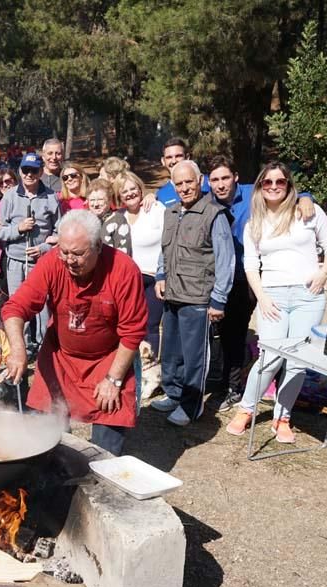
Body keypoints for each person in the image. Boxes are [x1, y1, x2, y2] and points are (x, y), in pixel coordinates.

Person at [2, 210, 148, 456]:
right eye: (64, 252)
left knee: (105, 450)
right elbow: (16, 307)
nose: (70, 260)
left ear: (98, 246)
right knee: (47, 440)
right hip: (61, 357)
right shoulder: (52, 262)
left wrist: (114, 380)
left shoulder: (124, 270)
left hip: (108, 359)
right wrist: (17, 350)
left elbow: (133, 332)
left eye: (78, 254)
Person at [225, 163, 327, 442]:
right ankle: (246, 409)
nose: (274, 186)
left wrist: (323, 273)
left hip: (308, 296)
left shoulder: (308, 212)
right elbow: (250, 265)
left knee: (298, 362)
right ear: (260, 187)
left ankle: (283, 416)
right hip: (273, 295)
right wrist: (262, 296)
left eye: (280, 181)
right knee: (271, 357)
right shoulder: (255, 223)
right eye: (268, 182)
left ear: (289, 185)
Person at [151, 160, 235, 426]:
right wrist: (161, 275)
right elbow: (165, 249)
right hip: (172, 294)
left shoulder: (214, 214)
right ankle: (173, 394)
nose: (184, 188)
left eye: (189, 182)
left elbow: (226, 261)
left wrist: (219, 299)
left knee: (194, 357)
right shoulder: (171, 212)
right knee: (172, 352)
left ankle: (191, 406)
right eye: (179, 183)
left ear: (200, 182)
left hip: (197, 298)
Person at [0, 152, 60, 352]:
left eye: (33, 170)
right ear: (20, 171)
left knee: (42, 306)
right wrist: (19, 229)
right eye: (25, 170)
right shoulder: (10, 196)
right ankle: (19, 347)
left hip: (41, 262)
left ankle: (44, 346)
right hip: (14, 261)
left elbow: (58, 231)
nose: (29, 174)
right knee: (18, 304)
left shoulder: (51, 197)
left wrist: (44, 248)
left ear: (41, 172)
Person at [115, 171, 165, 357]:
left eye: (133, 188)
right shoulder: (118, 217)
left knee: (151, 325)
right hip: (129, 280)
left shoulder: (156, 209)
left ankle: (150, 371)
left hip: (154, 278)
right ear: (119, 196)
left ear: (140, 188)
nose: (129, 193)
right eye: (124, 191)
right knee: (129, 325)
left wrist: (164, 274)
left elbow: (168, 243)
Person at [0, 168, 18, 303]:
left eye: (8, 181)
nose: (5, 185)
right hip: (4, 255)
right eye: (0, 183)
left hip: (22, 253)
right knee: (5, 298)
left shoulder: (23, 201)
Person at [155, 138, 210, 207]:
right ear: (163, 161)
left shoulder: (209, 182)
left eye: (178, 156)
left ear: (187, 157)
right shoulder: (161, 194)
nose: (174, 161)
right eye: (169, 157)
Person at [87, 179, 131, 256]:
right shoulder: (85, 220)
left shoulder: (118, 220)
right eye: (92, 200)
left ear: (110, 200)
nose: (96, 204)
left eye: (100, 199)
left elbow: (123, 253)